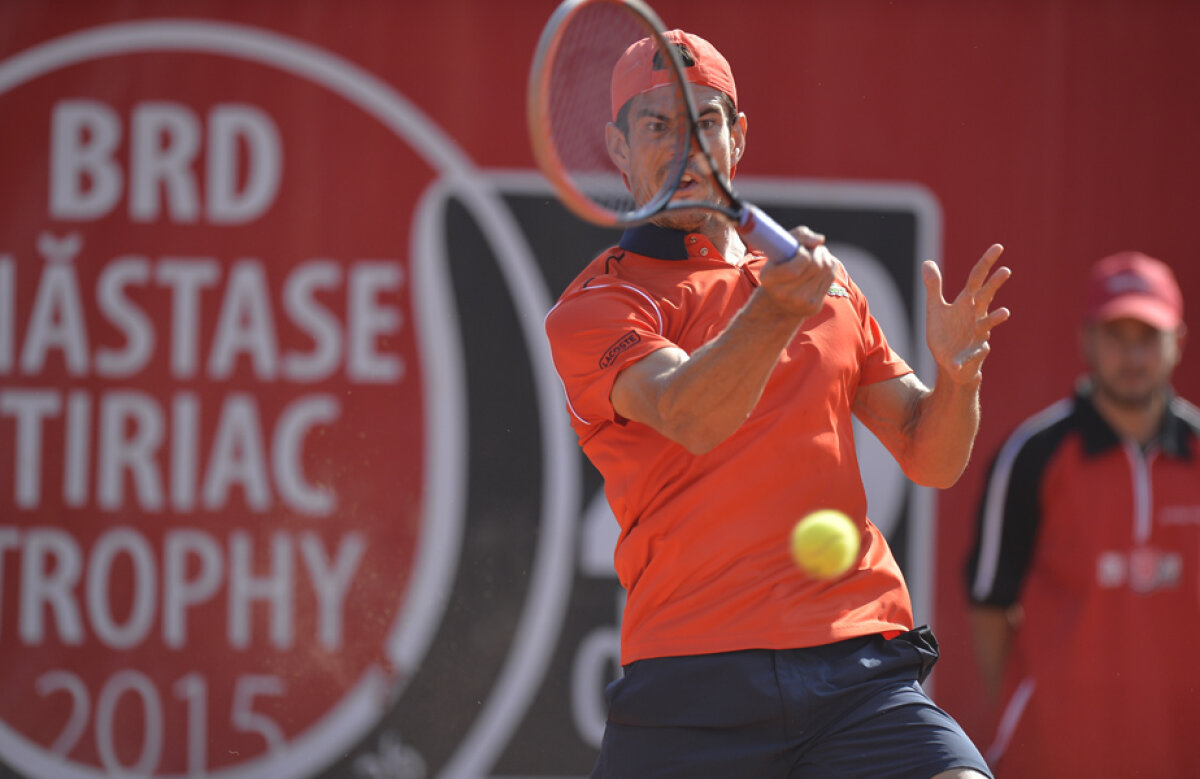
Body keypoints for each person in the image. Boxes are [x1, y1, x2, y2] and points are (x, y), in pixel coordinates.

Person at [545, 29, 1010, 778]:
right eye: (658, 125)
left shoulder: (830, 293)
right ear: (618, 150)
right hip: (689, 686)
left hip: (857, 673)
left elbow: (931, 454)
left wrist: (956, 379)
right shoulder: (598, 304)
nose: (686, 144)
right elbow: (691, 415)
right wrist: (776, 310)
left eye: (706, 122)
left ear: (739, 140)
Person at [964, 251, 1200, 777]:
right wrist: (1037, 704)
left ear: (1178, 342)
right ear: (1087, 340)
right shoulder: (1032, 455)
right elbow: (989, 604)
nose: (1132, 356)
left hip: (1183, 751)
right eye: (1117, 336)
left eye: (1148, 338)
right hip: (1051, 755)